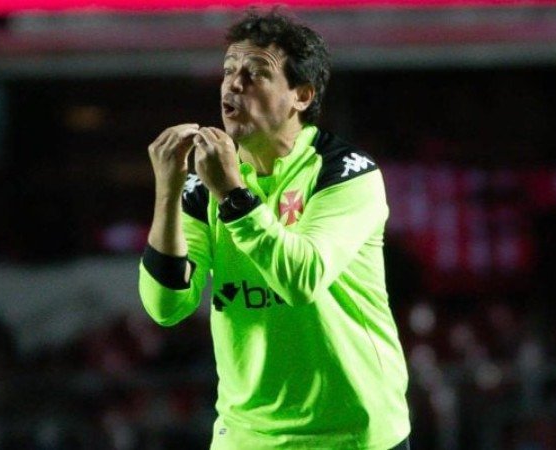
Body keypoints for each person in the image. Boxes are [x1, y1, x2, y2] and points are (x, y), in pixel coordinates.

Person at [139, 9, 411, 450]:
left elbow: (301, 278)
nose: (234, 83)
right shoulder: (203, 185)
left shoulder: (345, 173)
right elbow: (165, 306)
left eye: (256, 72)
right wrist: (169, 191)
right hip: (246, 437)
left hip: (353, 435)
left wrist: (233, 195)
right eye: (229, 70)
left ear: (300, 96)